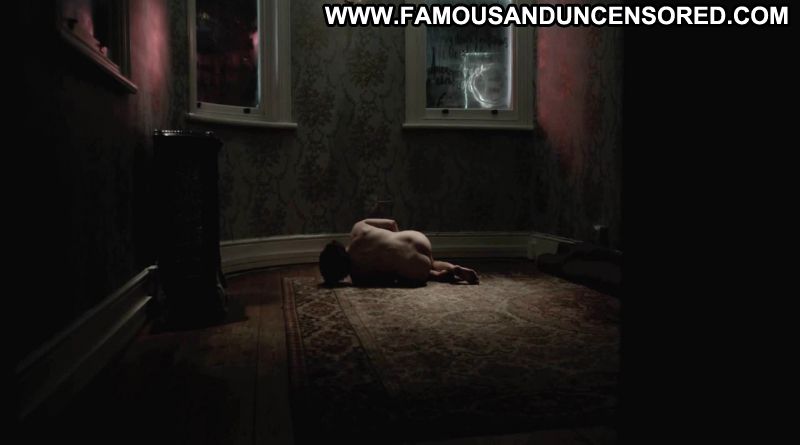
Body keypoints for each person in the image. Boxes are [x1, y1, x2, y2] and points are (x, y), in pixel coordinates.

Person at [319, 219, 479, 286]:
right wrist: (397, 240)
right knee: (432, 261)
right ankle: (452, 268)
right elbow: (391, 223)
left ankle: (435, 275)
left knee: (401, 273)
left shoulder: (358, 277)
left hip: (415, 269)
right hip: (416, 238)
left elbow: (388, 279)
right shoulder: (358, 228)